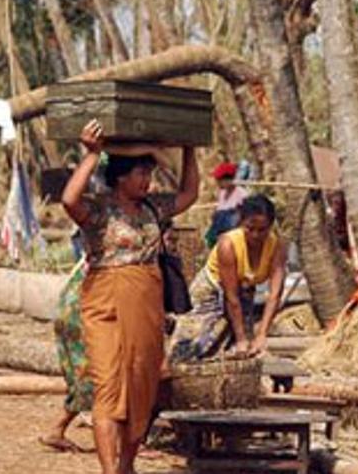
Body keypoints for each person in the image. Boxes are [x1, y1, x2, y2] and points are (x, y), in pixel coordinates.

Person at [62, 119, 199, 474]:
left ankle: (126, 465)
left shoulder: (155, 207)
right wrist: (92, 154)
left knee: (142, 384)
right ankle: (110, 470)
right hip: (105, 300)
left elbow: (189, 195)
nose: (147, 179)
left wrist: (189, 149)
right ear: (121, 175)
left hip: (147, 304)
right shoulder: (100, 209)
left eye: (149, 171)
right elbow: (68, 199)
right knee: (108, 386)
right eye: (141, 172)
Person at [168, 194, 286, 361]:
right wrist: (241, 338)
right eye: (250, 228)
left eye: (262, 230)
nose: (255, 236)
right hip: (211, 291)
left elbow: (274, 295)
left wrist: (262, 335)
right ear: (241, 222)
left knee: (246, 351)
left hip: (243, 292)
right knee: (191, 347)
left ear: (271, 226)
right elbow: (231, 297)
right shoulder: (228, 245)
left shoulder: (277, 247)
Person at [39, 257, 94, 453]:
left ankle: (57, 430)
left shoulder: (94, 255)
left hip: (71, 309)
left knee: (84, 376)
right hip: (81, 313)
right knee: (92, 375)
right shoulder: (126, 256)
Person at [204, 162, 248, 248]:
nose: (217, 183)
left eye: (219, 180)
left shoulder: (241, 194)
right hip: (219, 231)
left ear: (228, 180)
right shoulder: (222, 193)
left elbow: (244, 218)